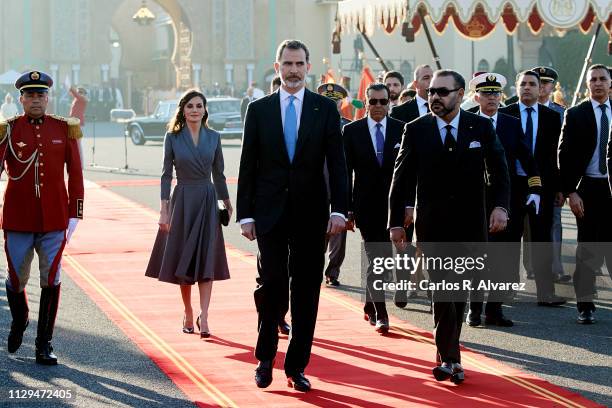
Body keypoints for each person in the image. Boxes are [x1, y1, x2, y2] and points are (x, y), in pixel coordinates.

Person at [237, 39, 347, 392]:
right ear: (277, 67)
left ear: (308, 67)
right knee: (271, 286)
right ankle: (265, 357)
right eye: (288, 64)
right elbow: (248, 165)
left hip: (312, 214)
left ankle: (297, 365)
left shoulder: (325, 109)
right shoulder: (259, 109)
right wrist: (245, 215)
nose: (294, 70)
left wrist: (340, 210)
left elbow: (338, 165)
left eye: (300, 64)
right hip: (269, 214)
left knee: (305, 292)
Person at [388, 69, 509, 384]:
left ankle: (446, 353)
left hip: (472, 224)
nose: (435, 97)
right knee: (443, 290)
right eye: (431, 92)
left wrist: (500, 207)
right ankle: (451, 360)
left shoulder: (480, 127)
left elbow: (499, 170)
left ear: (459, 94)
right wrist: (395, 222)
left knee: (459, 293)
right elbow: (401, 178)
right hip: (434, 225)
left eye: (442, 92)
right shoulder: (416, 129)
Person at [0, 70, 84, 365]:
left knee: (51, 277)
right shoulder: (7, 130)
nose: (36, 100)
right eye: (30, 95)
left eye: (41, 95)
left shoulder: (64, 128)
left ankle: (43, 344)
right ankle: (20, 318)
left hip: (54, 218)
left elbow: (75, 173)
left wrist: (76, 213)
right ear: (21, 99)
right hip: (18, 219)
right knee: (16, 278)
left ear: (48, 98)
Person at [145, 89, 232, 338]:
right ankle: (188, 310)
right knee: (185, 260)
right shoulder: (172, 137)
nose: (195, 110)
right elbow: (165, 175)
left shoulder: (214, 137)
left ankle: (205, 316)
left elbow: (219, 173)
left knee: (206, 259)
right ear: (183, 110)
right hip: (182, 201)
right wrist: (164, 210)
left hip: (206, 199)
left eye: (199, 106)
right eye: (190, 106)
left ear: (205, 110)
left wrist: (226, 201)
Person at [465, 72, 541, 328]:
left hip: (504, 198)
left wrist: (535, 187)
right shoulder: (467, 122)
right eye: (486, 94)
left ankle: (494, 310)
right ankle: (474, 310)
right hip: (475, 200)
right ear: (477, 96)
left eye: (496, 94)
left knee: (503, 257)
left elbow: (526, 156)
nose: (492, 98)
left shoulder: (510, 123)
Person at [499, 70, 566, 306]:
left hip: (542, 187)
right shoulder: (504, 114)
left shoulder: (551, 116)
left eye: (532, 84)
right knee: (509, 239)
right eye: (523, 84)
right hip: (512, 186)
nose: (527, 88)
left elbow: (554, 156)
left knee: (541, 238)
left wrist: (559, 188)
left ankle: (545, 292)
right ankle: (507, 290)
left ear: (540, 89)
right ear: (516, 88)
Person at [343, 83, 405, 334]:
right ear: (365, 103)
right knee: (379, 258)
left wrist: (409, 205)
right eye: (373, 102)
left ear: (389, 103)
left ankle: (370, 303)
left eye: (383, 101)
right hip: (366, 206)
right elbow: (345, 174)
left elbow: (409, 173)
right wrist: (345, 209)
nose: (378, 106)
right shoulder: (352, 131)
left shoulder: (402, 129)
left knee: (385, 259)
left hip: (395, 206)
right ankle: (381, 312)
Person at [558, 64, 612, 324]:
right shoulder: (576, 114)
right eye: (594, 79)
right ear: (588, 84)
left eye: (603, 79)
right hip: (588, 188)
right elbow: (564, 155)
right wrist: (571, 191)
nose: (598, 83)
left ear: (610, 83)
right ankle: (585, 304)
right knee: (588, 247)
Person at [532, 66, 571, 283]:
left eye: (547, 82)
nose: (543, 86)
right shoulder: (517, 110)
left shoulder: (561, 113)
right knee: (526, 224)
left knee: (554, 222)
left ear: (552, 86)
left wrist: (561, 186)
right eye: (539, 81)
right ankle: (532, 265)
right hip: (524, 176)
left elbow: (563, 152)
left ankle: (555, 267)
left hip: (550, 178)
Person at [317, 82, 352, 287]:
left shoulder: (348, 126)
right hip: (317, 185)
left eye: (335, 102)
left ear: (341, 103)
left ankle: (333, 271)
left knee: (339, 232)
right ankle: (316, 267)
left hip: (340, 184)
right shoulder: (311, 123)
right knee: (317, 232)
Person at [69, 86, 89, 168]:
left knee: (77, 144)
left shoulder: (82, 99)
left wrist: (70, 87)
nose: (79, 93)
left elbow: (75, 94)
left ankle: (80, 164)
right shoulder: (77, 99)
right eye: (78, 92)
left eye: (80, 92)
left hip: (78, 123)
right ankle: (76, 163)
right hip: (73, 122)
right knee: (74, 144)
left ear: (83, 93)